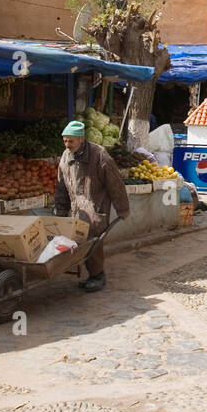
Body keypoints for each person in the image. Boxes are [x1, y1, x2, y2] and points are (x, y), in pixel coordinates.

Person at [54, 120, 130, 293]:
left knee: (94, 242)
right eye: (65, 141)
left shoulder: (99, 155)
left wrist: (122, 209)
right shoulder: (66, 156)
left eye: (71, 141)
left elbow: (115, 184)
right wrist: (60, 209)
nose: (67, 144)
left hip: (96, 205)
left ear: (81, 139)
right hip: (76, 207)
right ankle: (89, 275)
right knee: (80, 241)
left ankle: (98, 276)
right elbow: (61, 185)